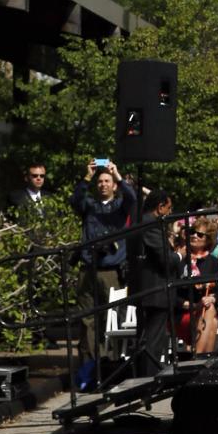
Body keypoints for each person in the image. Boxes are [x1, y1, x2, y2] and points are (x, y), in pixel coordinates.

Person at [70, 157, 137, 390]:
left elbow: (133, 198)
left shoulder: (120, 206)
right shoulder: (90, 205)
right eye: (100, 181)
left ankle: (111, 370)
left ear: (113, 185)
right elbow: (76, 200)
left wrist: (117, 173)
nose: (103, 185)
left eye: (107, 181)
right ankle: (88, 371)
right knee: (88, 321)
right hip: (88, 269)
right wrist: (86, 176)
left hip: (111, 270)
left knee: (113, 321)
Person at [126, 189, 176, 375]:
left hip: (144, 290)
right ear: (160, 207)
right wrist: (179, 255)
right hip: (154, 291)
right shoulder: (151, 226)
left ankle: (143, 376)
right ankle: (147, 379)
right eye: (168, 208)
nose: (170, 213)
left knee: (145, 338)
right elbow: (165, 259)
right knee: (152, 341)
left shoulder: (139, 224)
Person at [174, 217, 218, 355]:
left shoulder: (213, 262)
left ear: (208, 240)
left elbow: (217, 293)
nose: (194, 235)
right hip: (182, 312)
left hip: (203, 312)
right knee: (212, 319)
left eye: (200, 234)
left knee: (210, 311)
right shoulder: (180, 258)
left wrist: (211, 299)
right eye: (192, 232)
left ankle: (198, 356)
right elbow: (172, 295)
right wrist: (194, 306)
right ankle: (200, 357)